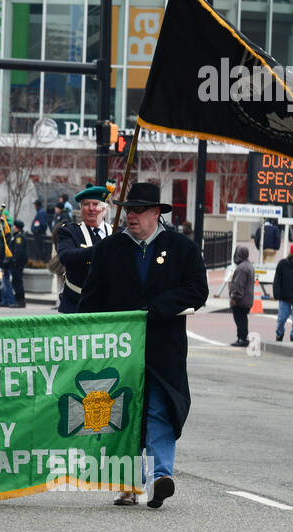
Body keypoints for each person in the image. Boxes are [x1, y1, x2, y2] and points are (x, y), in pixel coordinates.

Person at [79, 182, 208, 508]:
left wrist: (159, 307)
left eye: (138, 210)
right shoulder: (109, 250)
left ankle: (160, 477)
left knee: (157, 409)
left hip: (162, 347)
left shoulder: (182, 248)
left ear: (156, 213)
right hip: (118, 349)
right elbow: (90, 300)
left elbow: (197, 291)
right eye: (129, 210)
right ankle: (128, 483)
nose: (131, 216)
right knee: (121, 414)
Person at [53, 184, 111, 313]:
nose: (91, 209)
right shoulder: (69, 231)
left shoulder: (117, 232)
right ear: (80, 209)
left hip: (109, 307)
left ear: (104, 209)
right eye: (86, 204)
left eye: (95, 204)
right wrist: (100, 249)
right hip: (76, 305)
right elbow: (65, 256)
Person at [229, 245, 255, 346]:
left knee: (240, 320)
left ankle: (242, 338)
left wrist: (234, 298)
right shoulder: (249, 265)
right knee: (243, 319)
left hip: (241, 300)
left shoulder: (241, 268)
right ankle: (243, 338)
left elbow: (238, 285)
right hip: (247, 299)